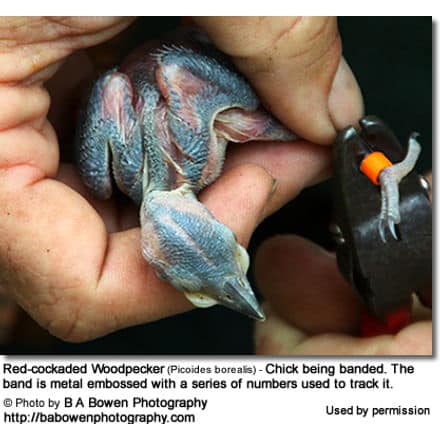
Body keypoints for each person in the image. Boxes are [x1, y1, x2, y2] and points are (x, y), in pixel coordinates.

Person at [0, 17, 431, 354]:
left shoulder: (134, 175)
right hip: (164, 76)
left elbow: (173, 75)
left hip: (189, 61)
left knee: (316, 126)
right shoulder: (139, 177)